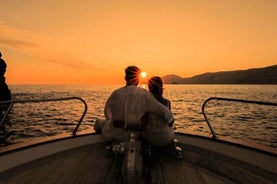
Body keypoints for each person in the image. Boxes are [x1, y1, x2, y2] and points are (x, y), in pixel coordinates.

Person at [94, 66, 174, 141]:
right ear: (138, 79)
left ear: (125, 78)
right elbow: (166, 113)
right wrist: (170, 121)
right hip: (134, 136)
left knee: (99, 121)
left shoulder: (115, 94)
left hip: (114, 133)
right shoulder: (144, 94)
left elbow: (107, 114)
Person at [143, 76, 175, 146]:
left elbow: (144, 124)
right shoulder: (167, 102)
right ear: (161, 88)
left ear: (150, 89)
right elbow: (170, 123)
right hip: (166, 137)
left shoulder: (146, 103)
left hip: (151, 138)